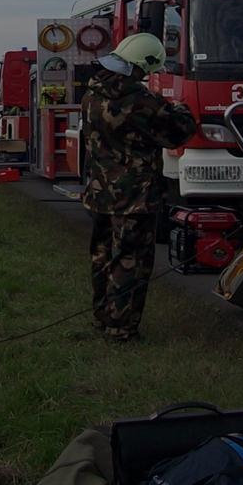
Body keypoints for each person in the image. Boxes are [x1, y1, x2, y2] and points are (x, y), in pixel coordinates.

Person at [80, 32, 196, 342]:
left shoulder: (92, 94)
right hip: (135, 197)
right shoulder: (140, 100)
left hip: (100, 192)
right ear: (139, 67)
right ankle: (121, 329)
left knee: (101, 256)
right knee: (131, 261)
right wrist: (180, 107)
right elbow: (178, 133)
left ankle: (103, 319)